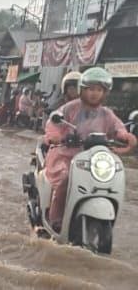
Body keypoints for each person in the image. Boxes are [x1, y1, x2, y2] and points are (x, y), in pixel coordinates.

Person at [43, 68, 137, 231]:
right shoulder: (70, 108)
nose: (95, 93)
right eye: (91, 89)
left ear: (104, 93)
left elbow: (118, 127)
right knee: (65, 178)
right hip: (66, 156)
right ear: (83, 90)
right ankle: (55, 219)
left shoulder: (107, 113)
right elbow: (53, 123)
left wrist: (126, 136)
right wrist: (57, 136)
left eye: (99, 90)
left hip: (93, 159)